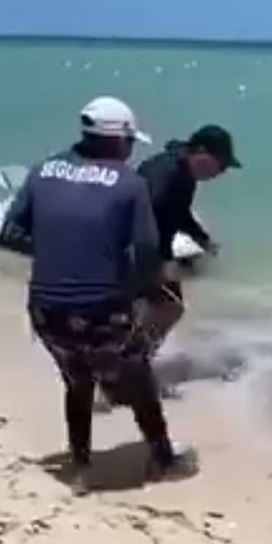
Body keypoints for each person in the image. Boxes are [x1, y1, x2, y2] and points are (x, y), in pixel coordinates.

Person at [3, 96, 196, 495]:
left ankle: (80, 462)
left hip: (45, 309)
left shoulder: (42, 171)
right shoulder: (129, 184)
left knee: (77, 381)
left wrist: (61, 254)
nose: (131, 150)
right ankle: (163, 459)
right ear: (116, 140)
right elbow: (145, 252)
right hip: (101, 309)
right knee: (139, 377)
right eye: (129, 142)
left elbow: (12, 231)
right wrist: (136, 288)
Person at [95, 124, 242, 407]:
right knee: (164, 309)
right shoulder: (166, 174)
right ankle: (121, 378)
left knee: (160, 311)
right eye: (220, 164)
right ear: (201, 152)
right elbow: (139, 214)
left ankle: (126, 373)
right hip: (129, 254)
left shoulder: (182, 172)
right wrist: (151, 264)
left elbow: (179, 211)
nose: (221, 172)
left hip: (142, 255)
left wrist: (202, 238)